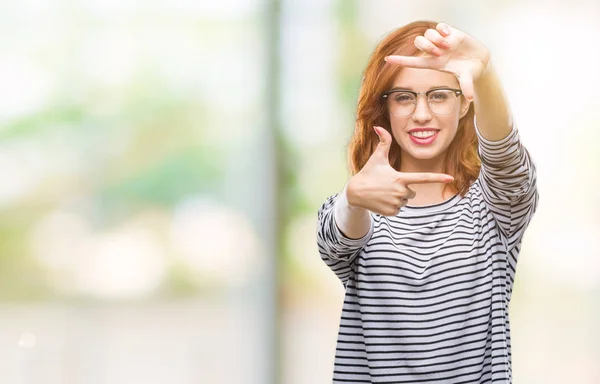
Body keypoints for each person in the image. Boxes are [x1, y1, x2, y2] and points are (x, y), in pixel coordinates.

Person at [316, 20, 538, 383]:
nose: (421, 114)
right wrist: (353, 199)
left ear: (465, 104)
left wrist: (484, 74)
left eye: (438, 94)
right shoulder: (358, 205)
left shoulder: (494, 208)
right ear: (385, 108)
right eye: (404, 97)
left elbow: (506, 160)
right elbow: (334, 241)